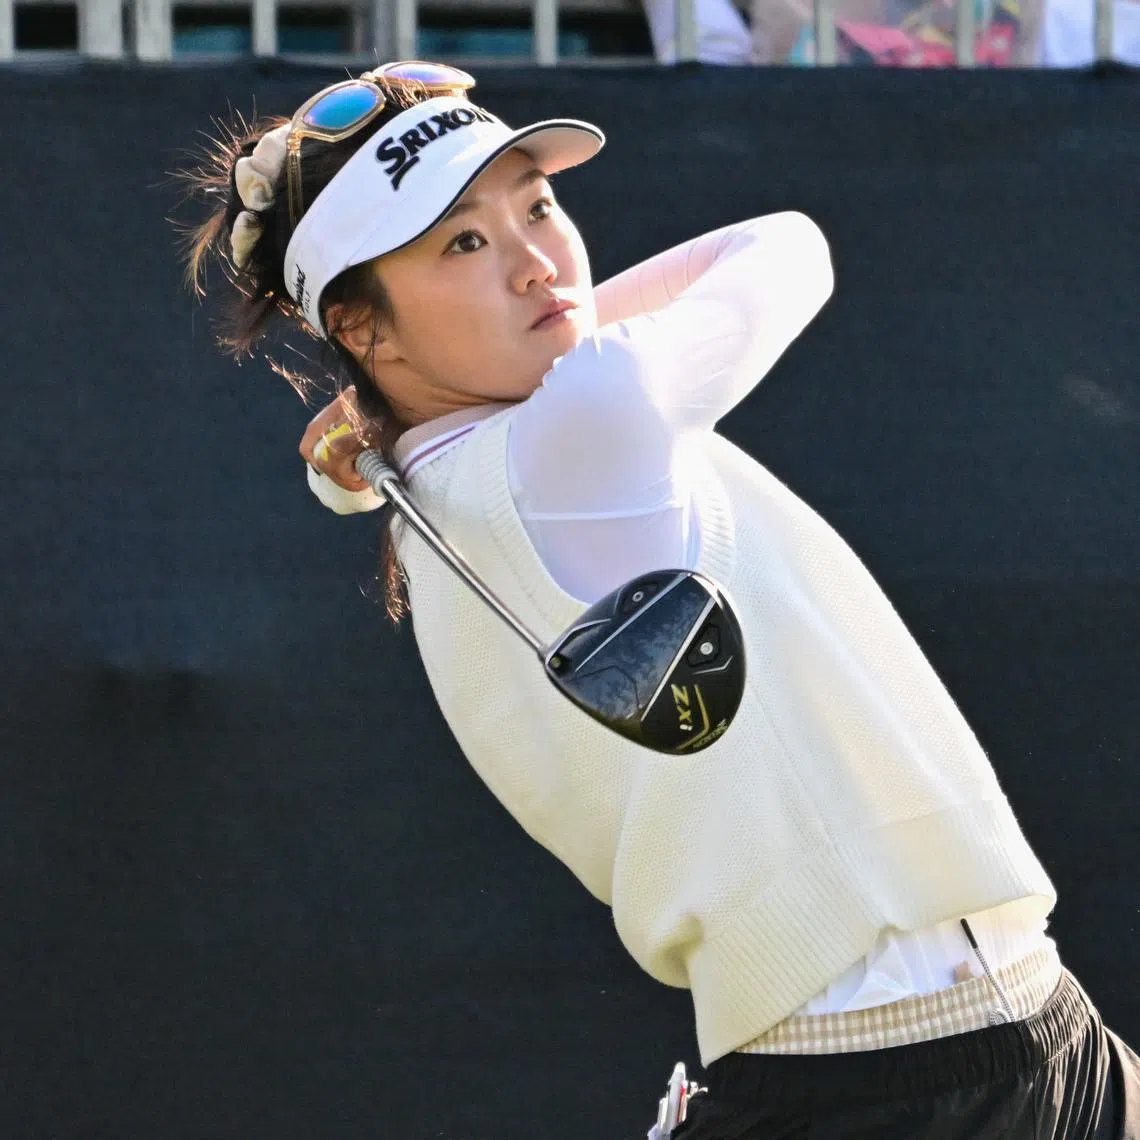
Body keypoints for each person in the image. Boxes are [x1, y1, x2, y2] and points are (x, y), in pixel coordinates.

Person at [179, 59, 1139, 1139]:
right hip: (928, 1075)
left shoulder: (427, 480)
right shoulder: (581, 422)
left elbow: (424, 430)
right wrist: (414, 403)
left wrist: (375, 416)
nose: (537, 263)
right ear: (363, 330)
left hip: (970, 1045)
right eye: (464, 244)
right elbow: (785, 246)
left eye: (537, 206)